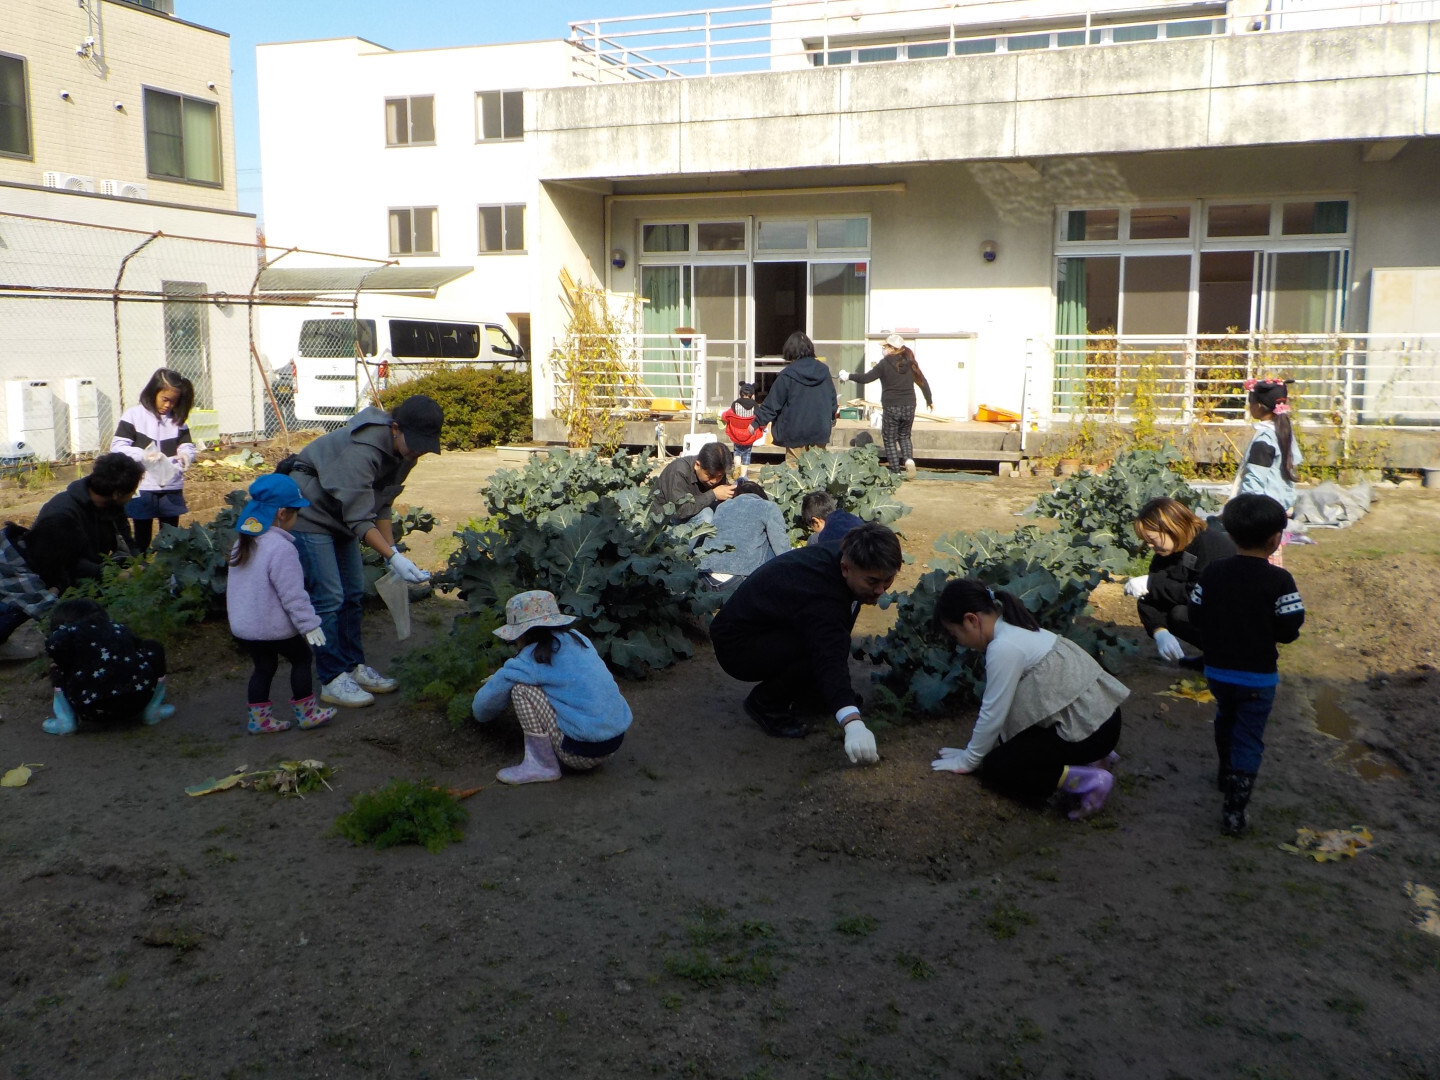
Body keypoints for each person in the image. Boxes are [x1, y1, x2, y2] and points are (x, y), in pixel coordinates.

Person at [288, 395, 442, 708]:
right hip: (310, 512)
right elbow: (359, 516)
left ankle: (353, 667)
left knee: (353, 593)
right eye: (414, 443)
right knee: (329, 597)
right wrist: (392, 557)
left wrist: (393, 552)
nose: (417, 452)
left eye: (424, 446)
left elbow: (381, 502)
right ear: (395, 428)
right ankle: (332, 678)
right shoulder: (364, 448)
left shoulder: (405, 453)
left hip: (342, 516)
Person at [930, 579, 1129, 819]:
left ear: (971, 620)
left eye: (955, 633)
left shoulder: (1003, 647)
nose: (959, 642)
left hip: (1092, 732)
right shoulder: (1014, 624)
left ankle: (1090, 780)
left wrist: (969, 759)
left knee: (998, 767)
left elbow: (993, 713)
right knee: (1012, 748)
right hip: (1101, 716)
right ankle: (1094, 757)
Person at [709, 521, 900, 763]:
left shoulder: (847, 556)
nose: (881, 590)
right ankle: (766, 704)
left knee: (828, 641)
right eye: (873, 582)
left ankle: (812, 696)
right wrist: (853, 723)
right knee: (815, 649)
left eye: (888, 580)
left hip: (768, 626)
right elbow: (830, 655)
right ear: (845, 568)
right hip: (737, 646)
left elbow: (838, 633)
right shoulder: (822, 592)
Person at [1189, 493, 1305, 836]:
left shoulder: (1213, 572)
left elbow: (1196, 614)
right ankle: (1235, 810)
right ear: (1275, 539)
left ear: (1230, 534)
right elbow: (1289, 628)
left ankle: (1226, 774)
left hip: (1218, 672)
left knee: (1226, 718)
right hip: (1258, 678)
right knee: (1249, 736)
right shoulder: (1279, 580)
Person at [471, 590, 633, 785]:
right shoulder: (577, 638)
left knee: (521, 690)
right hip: (614, 741)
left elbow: (483, 708)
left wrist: (477, 709)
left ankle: (541, 764)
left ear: (521, 634)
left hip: (581, 753)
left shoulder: (530, 659)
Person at [0, 452, 144, 661]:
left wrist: (139, 562)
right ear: (117, 492)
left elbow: (125, 538)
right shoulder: (61, 514)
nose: (133, 495)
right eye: (132, 491)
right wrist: (113, 574)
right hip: (31, 567)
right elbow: (64, 563)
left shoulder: (111, 506)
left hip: (71, 565)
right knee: (29, 602)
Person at [226, 474, 335, 735]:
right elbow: (293, 595)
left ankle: (259, 719)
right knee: (301, 658)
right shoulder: (281, 548)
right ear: (283, 514)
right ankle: (308, 713)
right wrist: (310, 625)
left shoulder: (243, 542)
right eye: (297, 513)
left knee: (264, 667)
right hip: (273, 627)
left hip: (245, 628)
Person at [1125, 496, 1236, 665]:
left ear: (1172, 528)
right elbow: (1149, 597)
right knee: (1176, 613)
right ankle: (1216, 657)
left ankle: (1231, 657)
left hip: (1240, 619)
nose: (1149, 546)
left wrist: (1152, 583)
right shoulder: (1166, 553)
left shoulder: (1211, 546)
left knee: (1181, 614)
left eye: (1152, 539)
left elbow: (1203, 596)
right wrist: (1158, 630)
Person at [41, 598, 172, 735]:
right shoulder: (117, 628)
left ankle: (65, 721)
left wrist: (59, 656)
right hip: (138, 701)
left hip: (89, 708)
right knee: (152, 647)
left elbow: (53, 645)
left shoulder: (69, 637)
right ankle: (153, 709)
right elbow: (140, 646)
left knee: (58, 668)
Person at [110, 368, 197, 550]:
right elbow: (117, 447)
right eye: (165, 399)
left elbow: (187, 445)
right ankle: (141, 569)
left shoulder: (177, 421)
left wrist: (186, 456)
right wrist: (142, 455)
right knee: (142, 537)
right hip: (143, 486)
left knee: (171, 536)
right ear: (153, 392)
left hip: (171, 485)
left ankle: (167, 571)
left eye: (174, 402)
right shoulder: (134, 416)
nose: (168, 405)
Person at [839, 335, 934, 477]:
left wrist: (848, 376)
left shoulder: (884, 364)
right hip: (909, 404)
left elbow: (866, 378)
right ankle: (908, 460)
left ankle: (895, 472)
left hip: (891, 405)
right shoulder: (910, 362)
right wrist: (929, 400)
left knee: (889, 439)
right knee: (904, 436)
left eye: (885, 346)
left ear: (892, 348)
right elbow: (922, 381)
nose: (883, 349)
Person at [1234, 378, 1301, 566]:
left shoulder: (1264, 440)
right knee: (1271, 575)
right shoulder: (1282, 432)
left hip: (1258, 521)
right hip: (1274, 514)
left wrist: (1241, 515)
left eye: (1250, 402)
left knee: (1256, 573)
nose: (1249, 407)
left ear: (1260, 406)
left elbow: (1253, 484)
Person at [751, 331, 837, 466]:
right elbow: (832, 399)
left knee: (794, 477)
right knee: (818, 473)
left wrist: (756, 423)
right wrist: (832, 417)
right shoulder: (824, 371)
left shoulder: (788, 375)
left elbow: (773, 403)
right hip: (820, 430)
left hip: (795, 433)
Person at [697, 478, 790, 589]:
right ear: (761, 496)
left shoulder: (722, 506)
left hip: (706, 576)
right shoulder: (767, 506)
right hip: (739, 580)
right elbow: (781, 545)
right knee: (772, 543)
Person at [652, 441, 735, 525]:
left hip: (693, 510)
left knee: (727, 509)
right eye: (710, 475)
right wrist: (713, 494)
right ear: (697, 465)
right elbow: (679, 510)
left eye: (720, 476)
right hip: (663, 520)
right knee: (706, 515)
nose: (714, 481)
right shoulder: (679, 471)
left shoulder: (716, 471)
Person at [721, 382, 764, 477]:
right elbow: (760, 419)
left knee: (737, 451)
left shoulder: (735, 404)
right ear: (752, 395)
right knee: (747, 453)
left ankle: (737, 465)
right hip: (749, 435)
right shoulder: (755, 405)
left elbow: (726, 415)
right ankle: (743, 476)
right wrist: (763, 428)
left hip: (736, 435)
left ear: (740, 393)